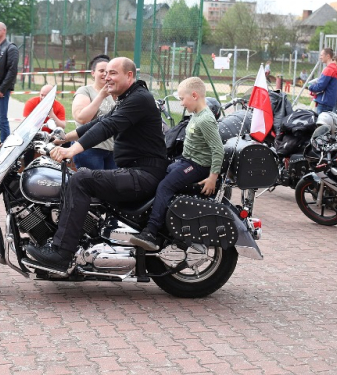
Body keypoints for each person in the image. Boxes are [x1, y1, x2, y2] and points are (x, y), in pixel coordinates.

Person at [25, 57, 167, 272]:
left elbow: (108, 126)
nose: (107, 77)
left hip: (143, 174)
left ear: (129, 75)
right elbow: (97, 123)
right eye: (106, 72)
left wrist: (71, 150)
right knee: (76, 179)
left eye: (113, 73)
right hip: (134, 170)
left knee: (81, 178)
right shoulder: (127, 97)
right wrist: (60, 139)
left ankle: (61, 253)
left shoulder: (139, 99)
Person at [129, 77, 224, 251]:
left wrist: (212, 177)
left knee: (165, 186)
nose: (181, 104)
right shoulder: (197, 115)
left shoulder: (205, 119)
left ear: (194, 95)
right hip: (186, 161)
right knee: (160, 174)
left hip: (197, 166)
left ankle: (151, 231)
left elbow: (218, 150)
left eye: (182, 99)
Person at [71, 54, 116, 170]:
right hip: (89, 149)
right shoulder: (85, 91)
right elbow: (81, 118)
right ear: (93, 73)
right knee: (94, 186)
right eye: (101, 71)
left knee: (111, 186)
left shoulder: (115, 93)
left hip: (112, 149)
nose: (105, 74)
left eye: (109, 71)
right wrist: (101, 95)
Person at [307, 47, 337, 114]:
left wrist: (310, 87)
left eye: (321, 55)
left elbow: (320, 86)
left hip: (324, 102)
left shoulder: (328, 69)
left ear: (328, 56)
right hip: (330, 101)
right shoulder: (335, 68)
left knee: (320, 123)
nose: (320, 57)